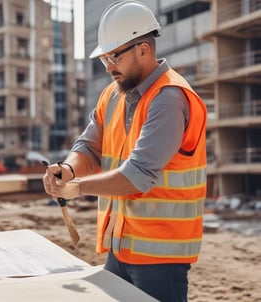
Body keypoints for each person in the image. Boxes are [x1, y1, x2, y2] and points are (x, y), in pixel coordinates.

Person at [43, 1, 207, 301]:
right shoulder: (112, 95)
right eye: (104, 57)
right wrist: (67, 170)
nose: (108, 66)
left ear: (143, 49)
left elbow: (139, 175)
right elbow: (89, 147)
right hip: (120, 246)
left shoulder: (169, 98)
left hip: (160, 257)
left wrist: (77, 188)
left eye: (114, 55)